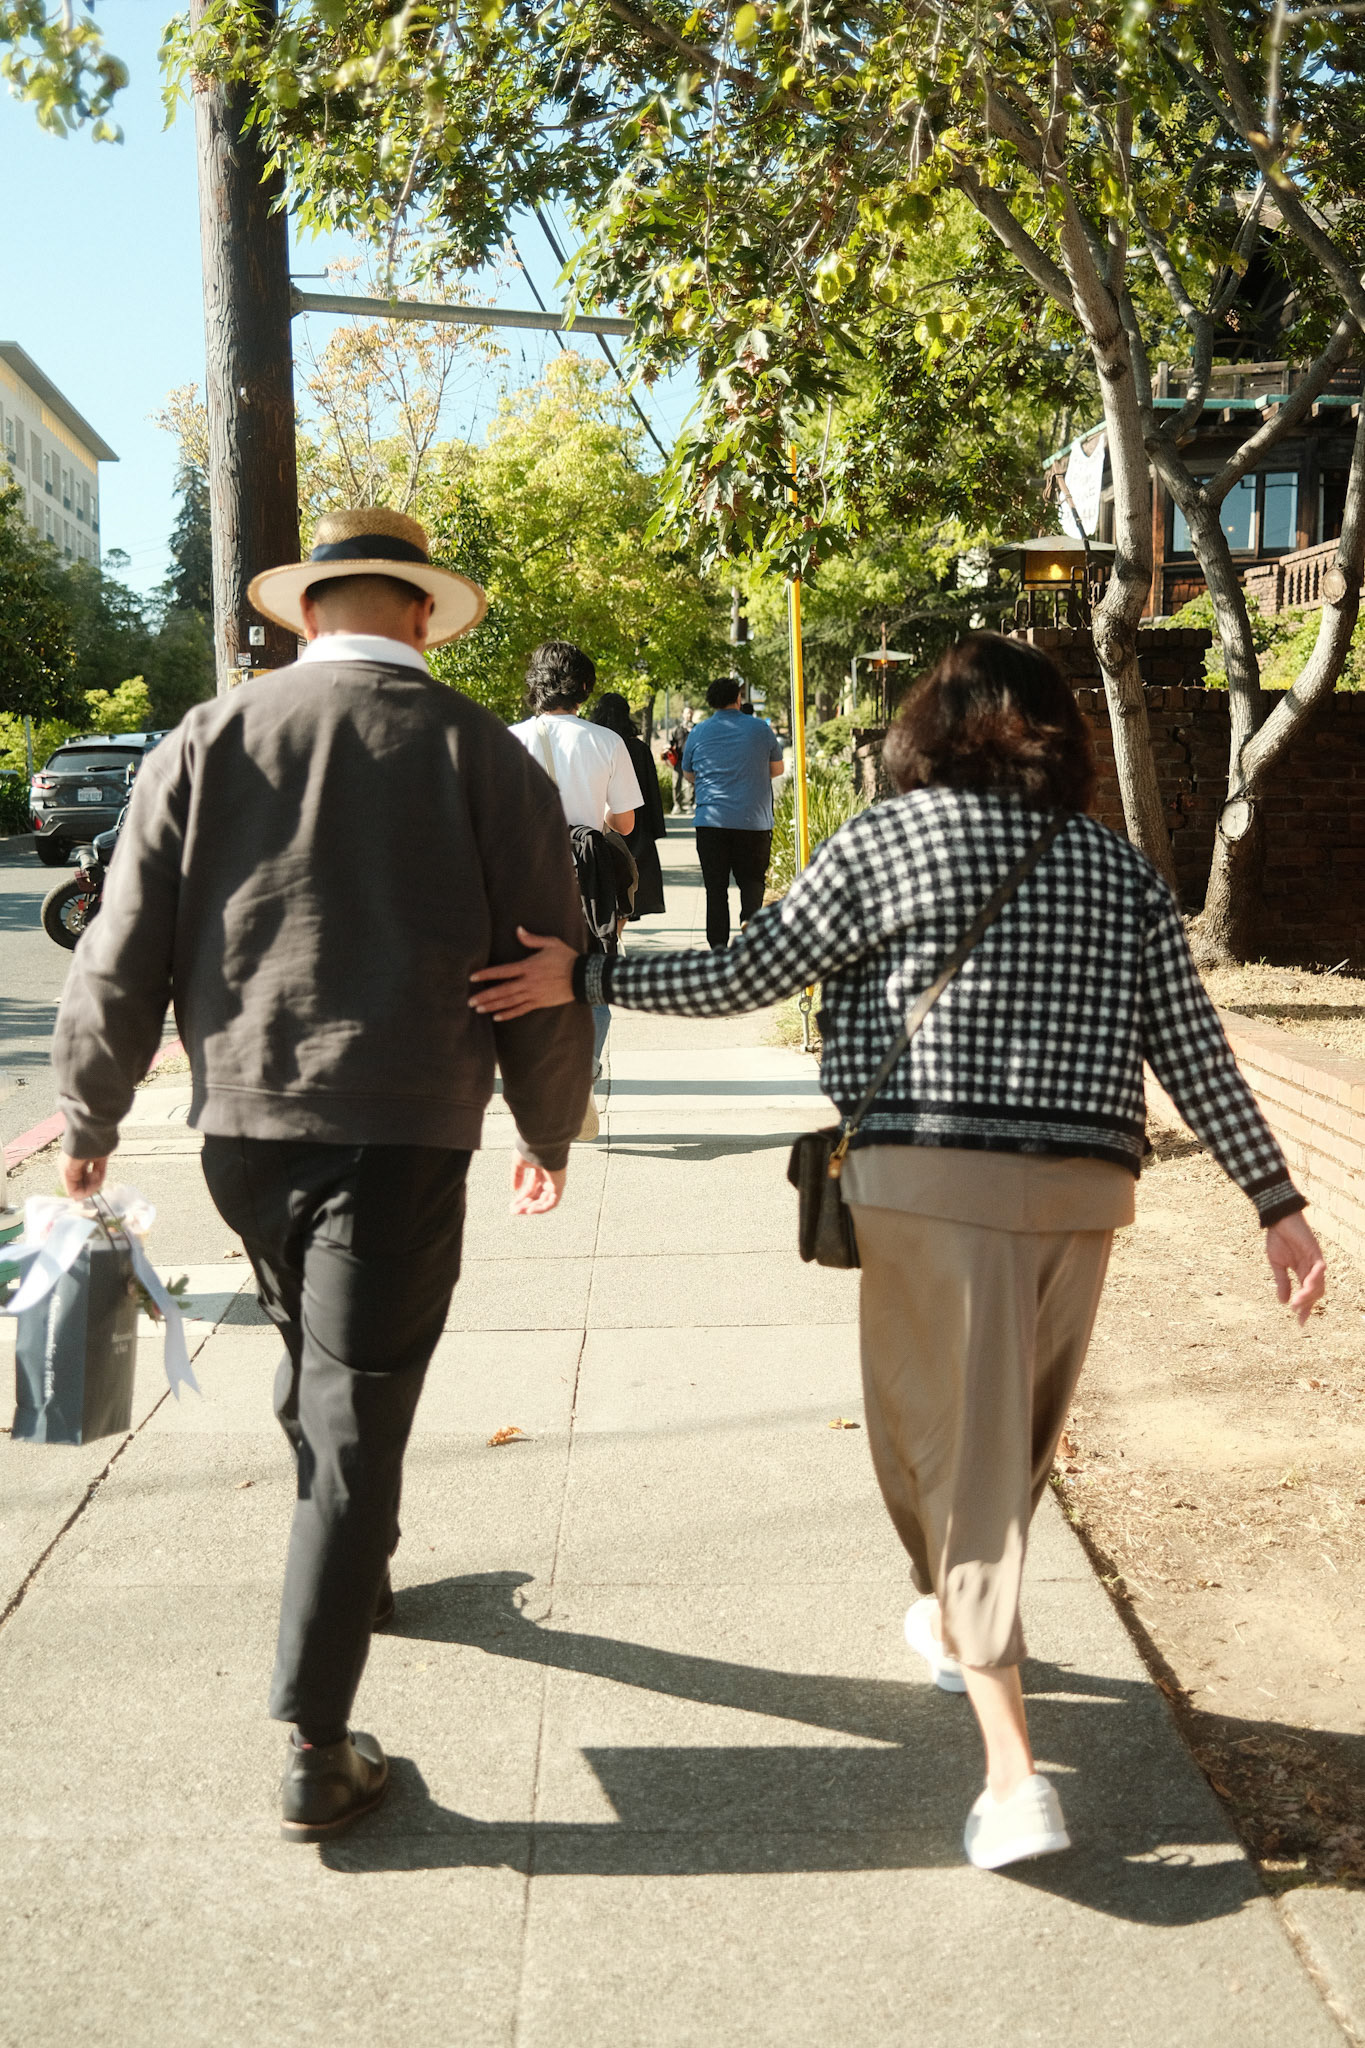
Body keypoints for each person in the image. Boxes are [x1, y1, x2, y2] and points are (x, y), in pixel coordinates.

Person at [469, 631, 1326, 1872]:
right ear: (1062, 737)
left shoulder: (884, 840)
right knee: (1006, 1444)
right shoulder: (1120, 867)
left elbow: (748, 971)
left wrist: (590, 974)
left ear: (930, 727)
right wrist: (1273, 1198)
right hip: (1086, 1193)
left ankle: (1014, 1773)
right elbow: (1191, 1043)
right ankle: (951, 1613)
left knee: (943, 1448)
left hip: (928, 1181)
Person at [51, 505, 592, 1843]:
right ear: (422, 617)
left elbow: (122, 944)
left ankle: (357, 1571)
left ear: (307, 613)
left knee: (315, 1353)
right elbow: (543, 963)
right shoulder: (482, 752)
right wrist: (547, 1125)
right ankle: (315, 1737)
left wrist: (89, 1113)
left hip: (241, 1131)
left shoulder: (204, 738)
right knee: (359, 1408)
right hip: (399, 1127)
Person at [510, 643, 643, 1141]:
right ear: (584, 687)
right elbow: (625, 824)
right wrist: (594, 817)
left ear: (535, 685)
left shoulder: (510, 740)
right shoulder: (607, 741)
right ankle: (581, 1069)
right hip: (588, 881)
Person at [681, 677, 785, 949]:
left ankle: (717, 948)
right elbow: (777, 769)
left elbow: (688, 773)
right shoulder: (760, 729)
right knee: (752, 883)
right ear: (739, 699)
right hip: (754, 822)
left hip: (711, 822)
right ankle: (750, 929)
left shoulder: (698, 732)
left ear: (711, 702)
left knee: (715, 889)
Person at [590, 691, 668, 919]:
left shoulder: (595, 745)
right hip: (636, 827)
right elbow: (651, 792)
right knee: (628, 891)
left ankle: (613, 932)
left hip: (601, 826)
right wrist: (655, 830)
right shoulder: (638, 749)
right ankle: (619, 931)